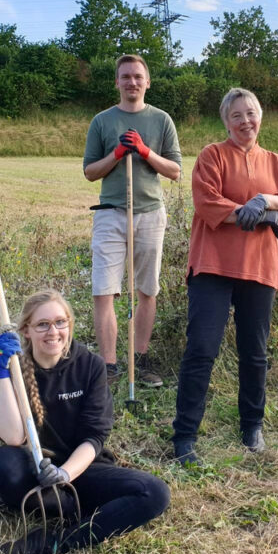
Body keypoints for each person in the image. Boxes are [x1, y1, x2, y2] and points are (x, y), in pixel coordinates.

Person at [171, 87, 278, 466]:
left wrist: (269, 201)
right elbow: (206, 200)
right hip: (212, 265)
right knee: (201, 350)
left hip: (259, 268)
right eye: (237, 116)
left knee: (255, 352)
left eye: (251, 114)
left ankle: (252, 426)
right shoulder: (212, 156)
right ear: (225, 122)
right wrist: (246, 212)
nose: (245, 121)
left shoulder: (275, 161)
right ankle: (185, 435)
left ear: (260, 116)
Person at [0, 289, 170, 554]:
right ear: (26, 331)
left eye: (60, 322)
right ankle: (71, 507)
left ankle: (54, 542)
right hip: (34, 469)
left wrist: (64, 475)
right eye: (42, 325)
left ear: (70, 325)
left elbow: (94, 437)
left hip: (82, 469)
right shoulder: (12, 366)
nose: (53, 331)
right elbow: (13, 436)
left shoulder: (90, 366)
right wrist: (0, 374)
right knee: (3, 464)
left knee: (154, 493)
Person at [83, 54, 181, 388]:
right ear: (117, 82)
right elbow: (89, 172)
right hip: (111, 214)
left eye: (138, 76)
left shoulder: (162, 120)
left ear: (147, 82)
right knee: (103, 291)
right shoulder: (102, 122)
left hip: (151, 213)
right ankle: (109, 367)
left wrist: (143, 151)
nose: (132, 82)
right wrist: (117, 155)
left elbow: (176, 171)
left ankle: (139, 359)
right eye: (125, 77)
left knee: (147, 289)